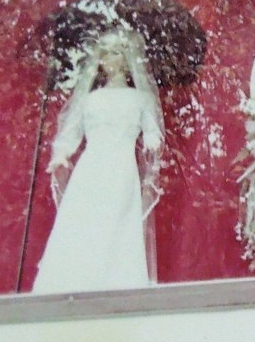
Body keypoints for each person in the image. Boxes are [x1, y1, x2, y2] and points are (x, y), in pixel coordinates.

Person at [33, 30, 164, 293]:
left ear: (126, 58)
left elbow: (153, 130)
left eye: (116, 53)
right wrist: (61, 154)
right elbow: (71, 133)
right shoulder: (90, 99)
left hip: (121, 168)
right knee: (85, 222)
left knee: (118, 222)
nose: (109, 59)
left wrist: (152, 139)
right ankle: (77, 282)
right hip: (91, 168)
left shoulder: (141, 99)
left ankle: (116, 285)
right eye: (105, 54)